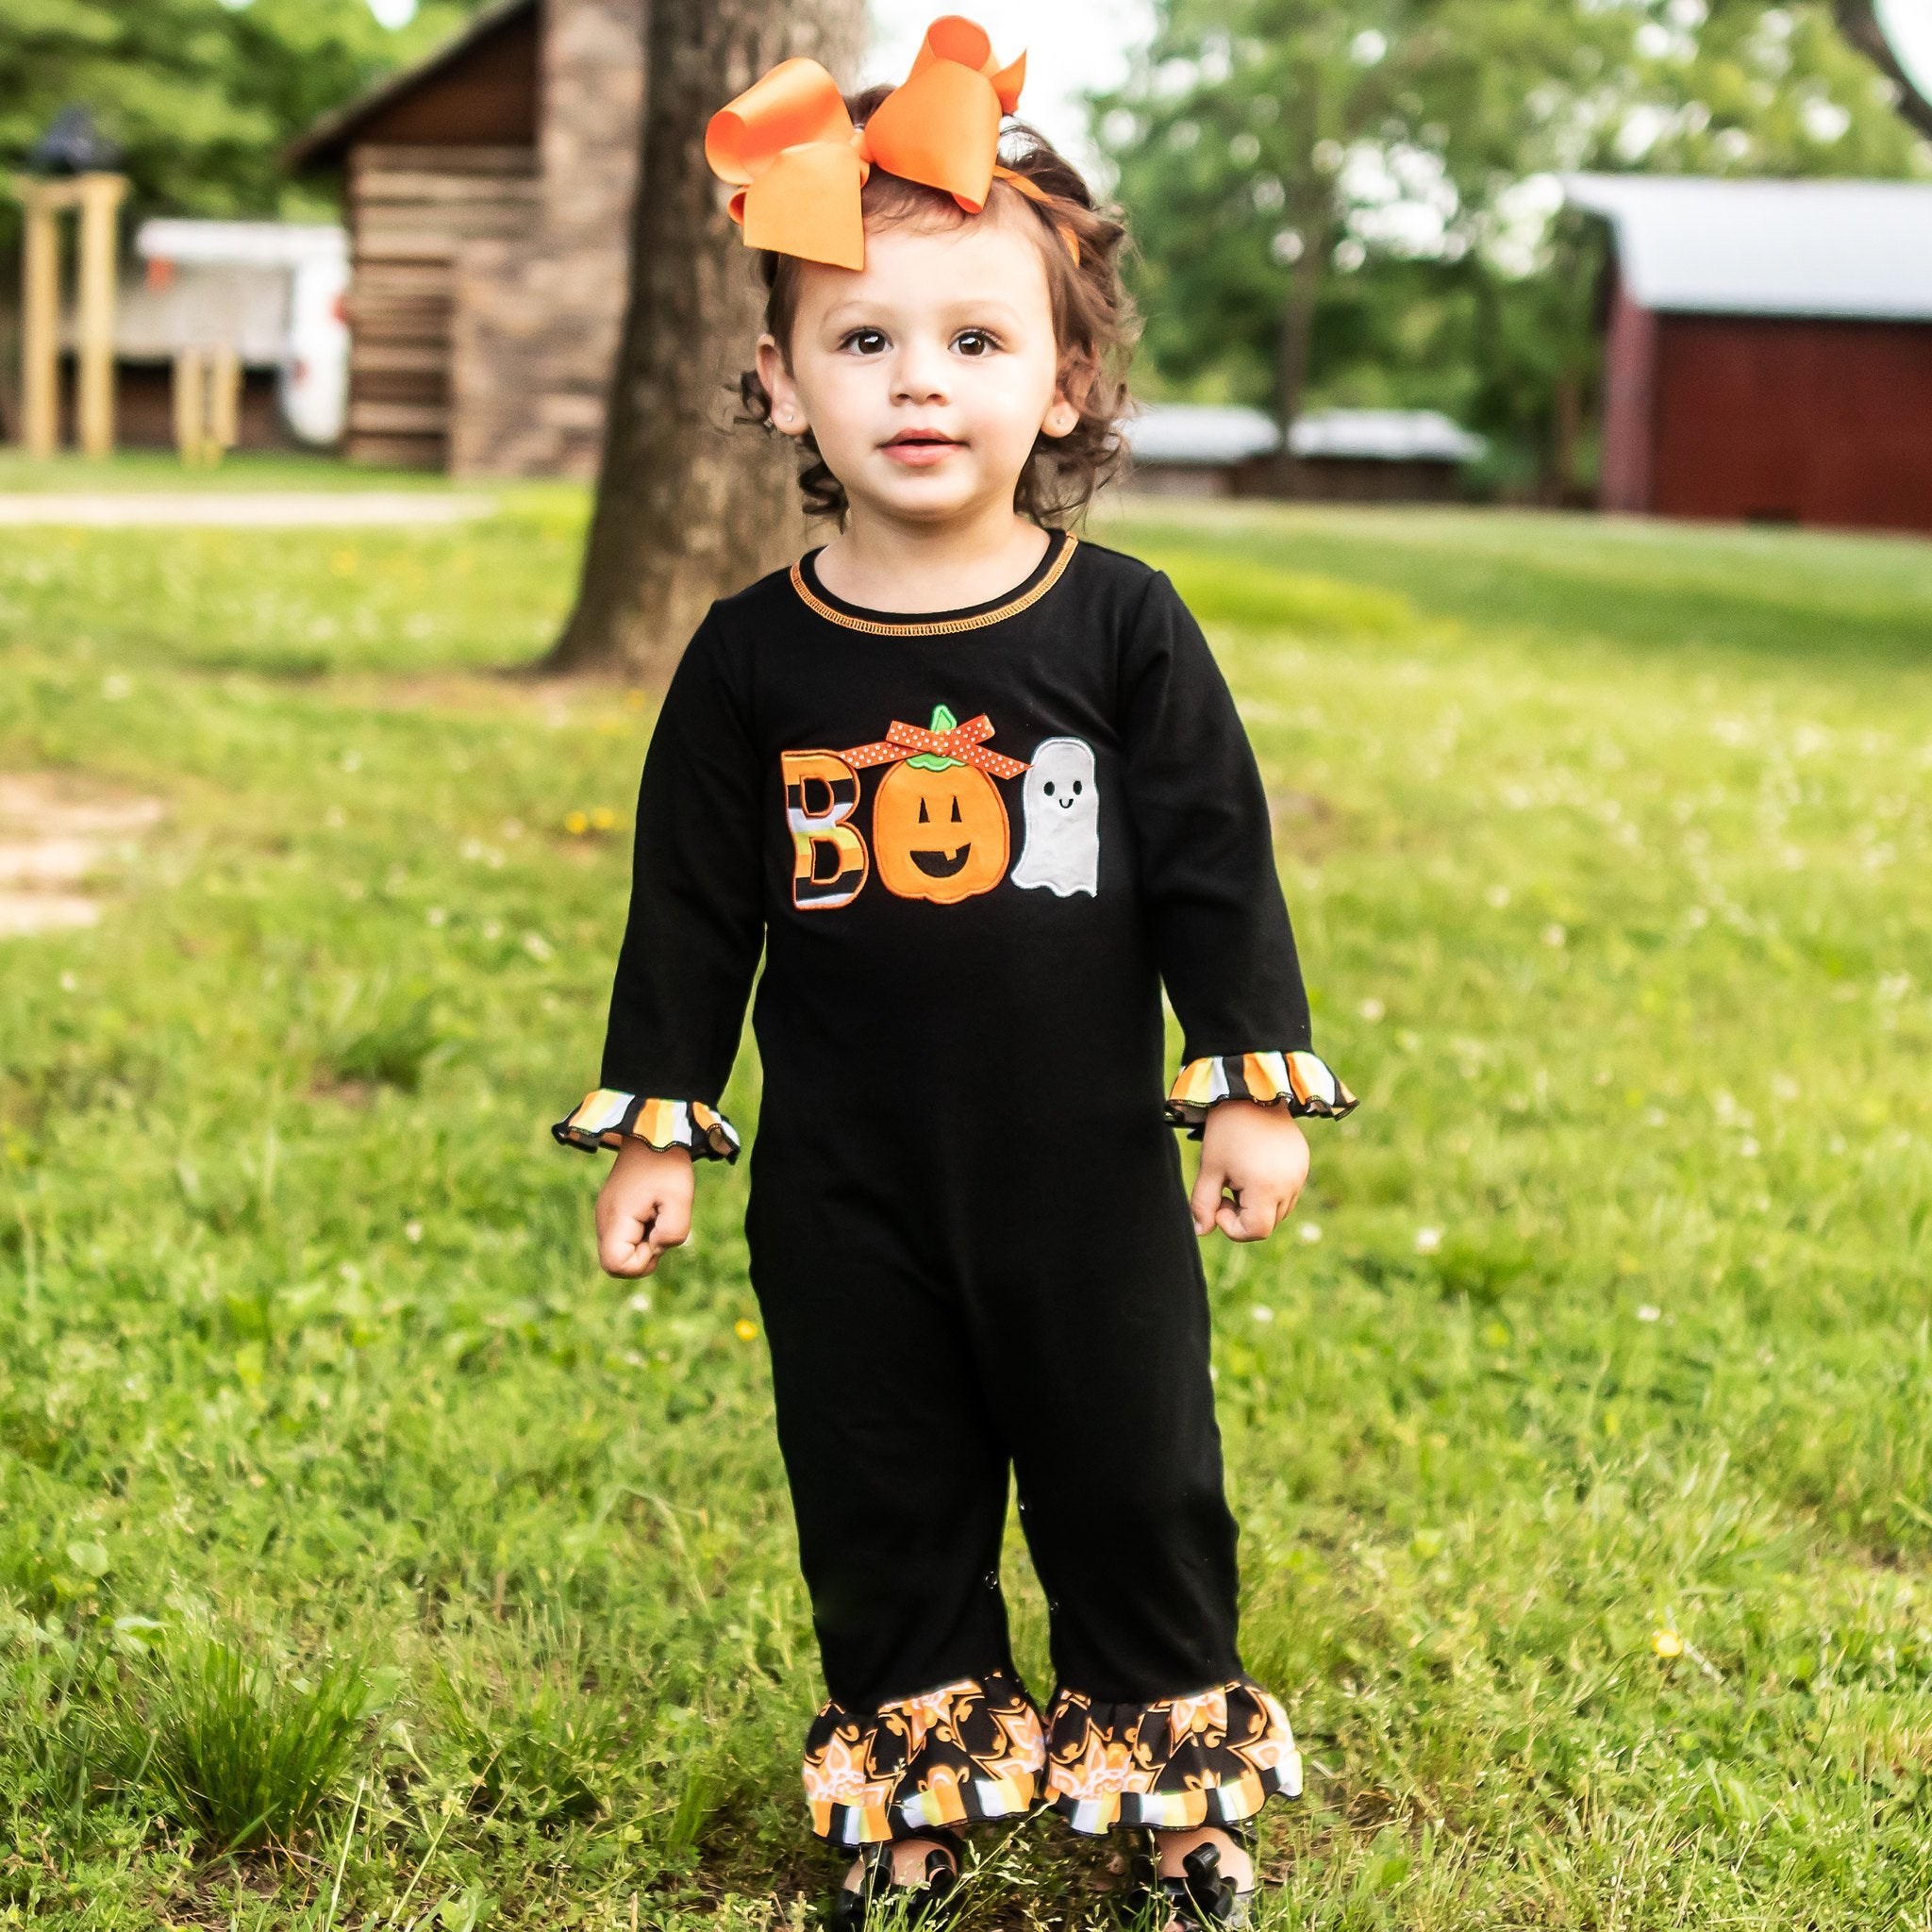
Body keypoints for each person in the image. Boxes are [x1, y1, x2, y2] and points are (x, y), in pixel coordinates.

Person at [555, 20, 1357, 1928]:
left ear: (1064, 375)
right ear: (779, 378)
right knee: (879, 1482)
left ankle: (1175, 1792)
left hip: (1079, 1174)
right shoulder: (752, 661)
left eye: (976, 341)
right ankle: (913, 1781)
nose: (920, 382)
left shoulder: (1120, 627)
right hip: (847, 1186)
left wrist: (1245, 1077)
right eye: (864, 341)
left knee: (1131, 1477)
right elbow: (688, 916)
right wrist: (660, 1132)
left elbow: (1214, 870)